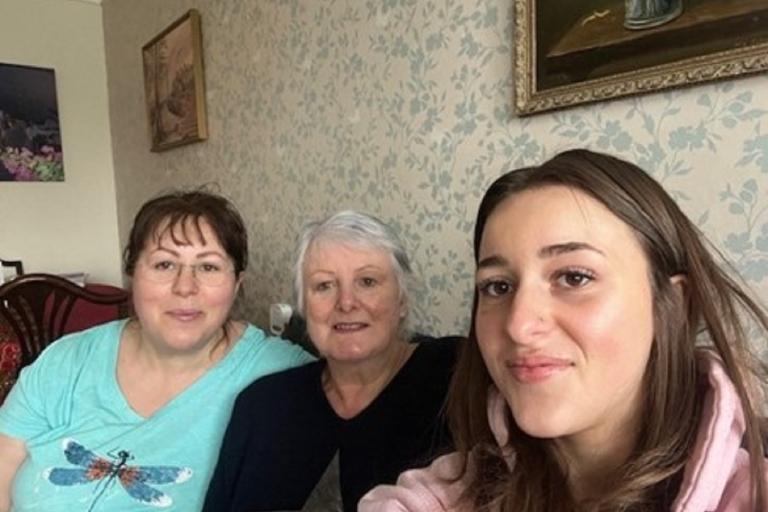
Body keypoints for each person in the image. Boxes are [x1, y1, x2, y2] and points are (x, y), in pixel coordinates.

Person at [359, 149, 768, 511]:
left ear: (676, 306)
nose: (518, 326)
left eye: (573, 278)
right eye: (498, 286)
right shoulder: (449, 492)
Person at [0, 190, 313, 512]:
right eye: (164, 264)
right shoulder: (65, 360)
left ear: (236, 284)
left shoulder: (279, 371)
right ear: (132, 274)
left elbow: (361, 386)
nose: (185, 286)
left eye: (208, 267)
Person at [203, 210, 460, 512]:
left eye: (367, 281)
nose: (347, 303)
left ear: (401, 300)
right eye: (324, 286)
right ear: (303, 306)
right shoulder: (262, 404)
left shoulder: (455, 374)